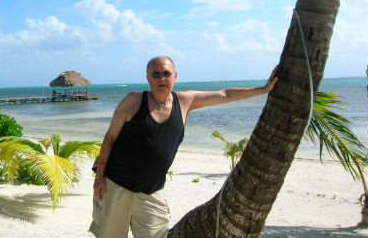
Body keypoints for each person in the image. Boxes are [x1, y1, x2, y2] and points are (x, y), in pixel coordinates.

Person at [89, 56, 278, 238]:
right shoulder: (133, 101)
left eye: (166, 73)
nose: (161, 78)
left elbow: (225, 94)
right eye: (156, 74)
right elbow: (110, 138)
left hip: (151, 193)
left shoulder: (185, 101)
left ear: (175, 76)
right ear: (148, 78)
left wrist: (263, 89)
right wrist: (99, 176)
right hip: (115, 187)